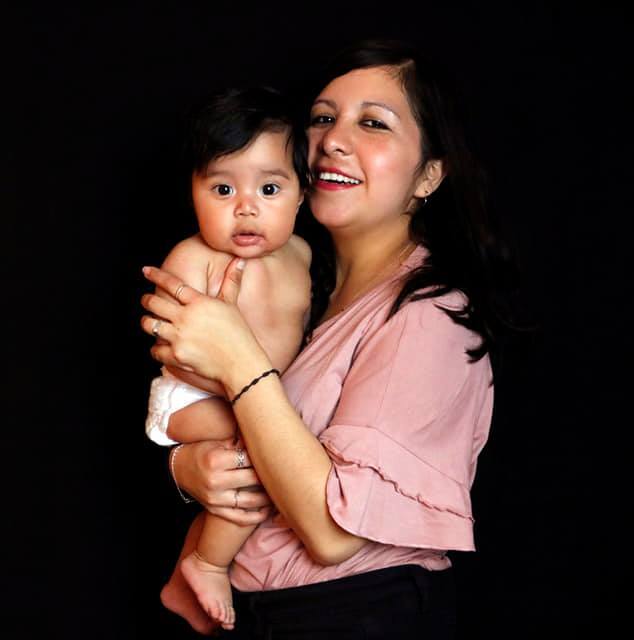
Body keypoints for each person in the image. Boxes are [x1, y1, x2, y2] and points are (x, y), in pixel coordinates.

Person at [141, 38, 520, 639]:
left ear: (429, 174)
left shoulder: (431, 313)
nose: (333, 141)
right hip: (262, 615)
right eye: (322, 118)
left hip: (359, 614)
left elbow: (333, 532)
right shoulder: (298, 279)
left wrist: (236, 357)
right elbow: (252, 439)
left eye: (373, 123)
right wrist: (186, 469)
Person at [144, 86, 312, 632]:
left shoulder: (303, 255)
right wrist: (241, 393)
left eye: (270, 188)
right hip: (193, 394)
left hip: (253, 395)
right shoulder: (192, 259)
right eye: (222, 188)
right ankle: (207, 564)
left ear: (301, 195)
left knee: (269, 457)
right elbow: (174, 353)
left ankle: (184, 581)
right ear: (193, 192)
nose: (246, 207)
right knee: (258, 456)